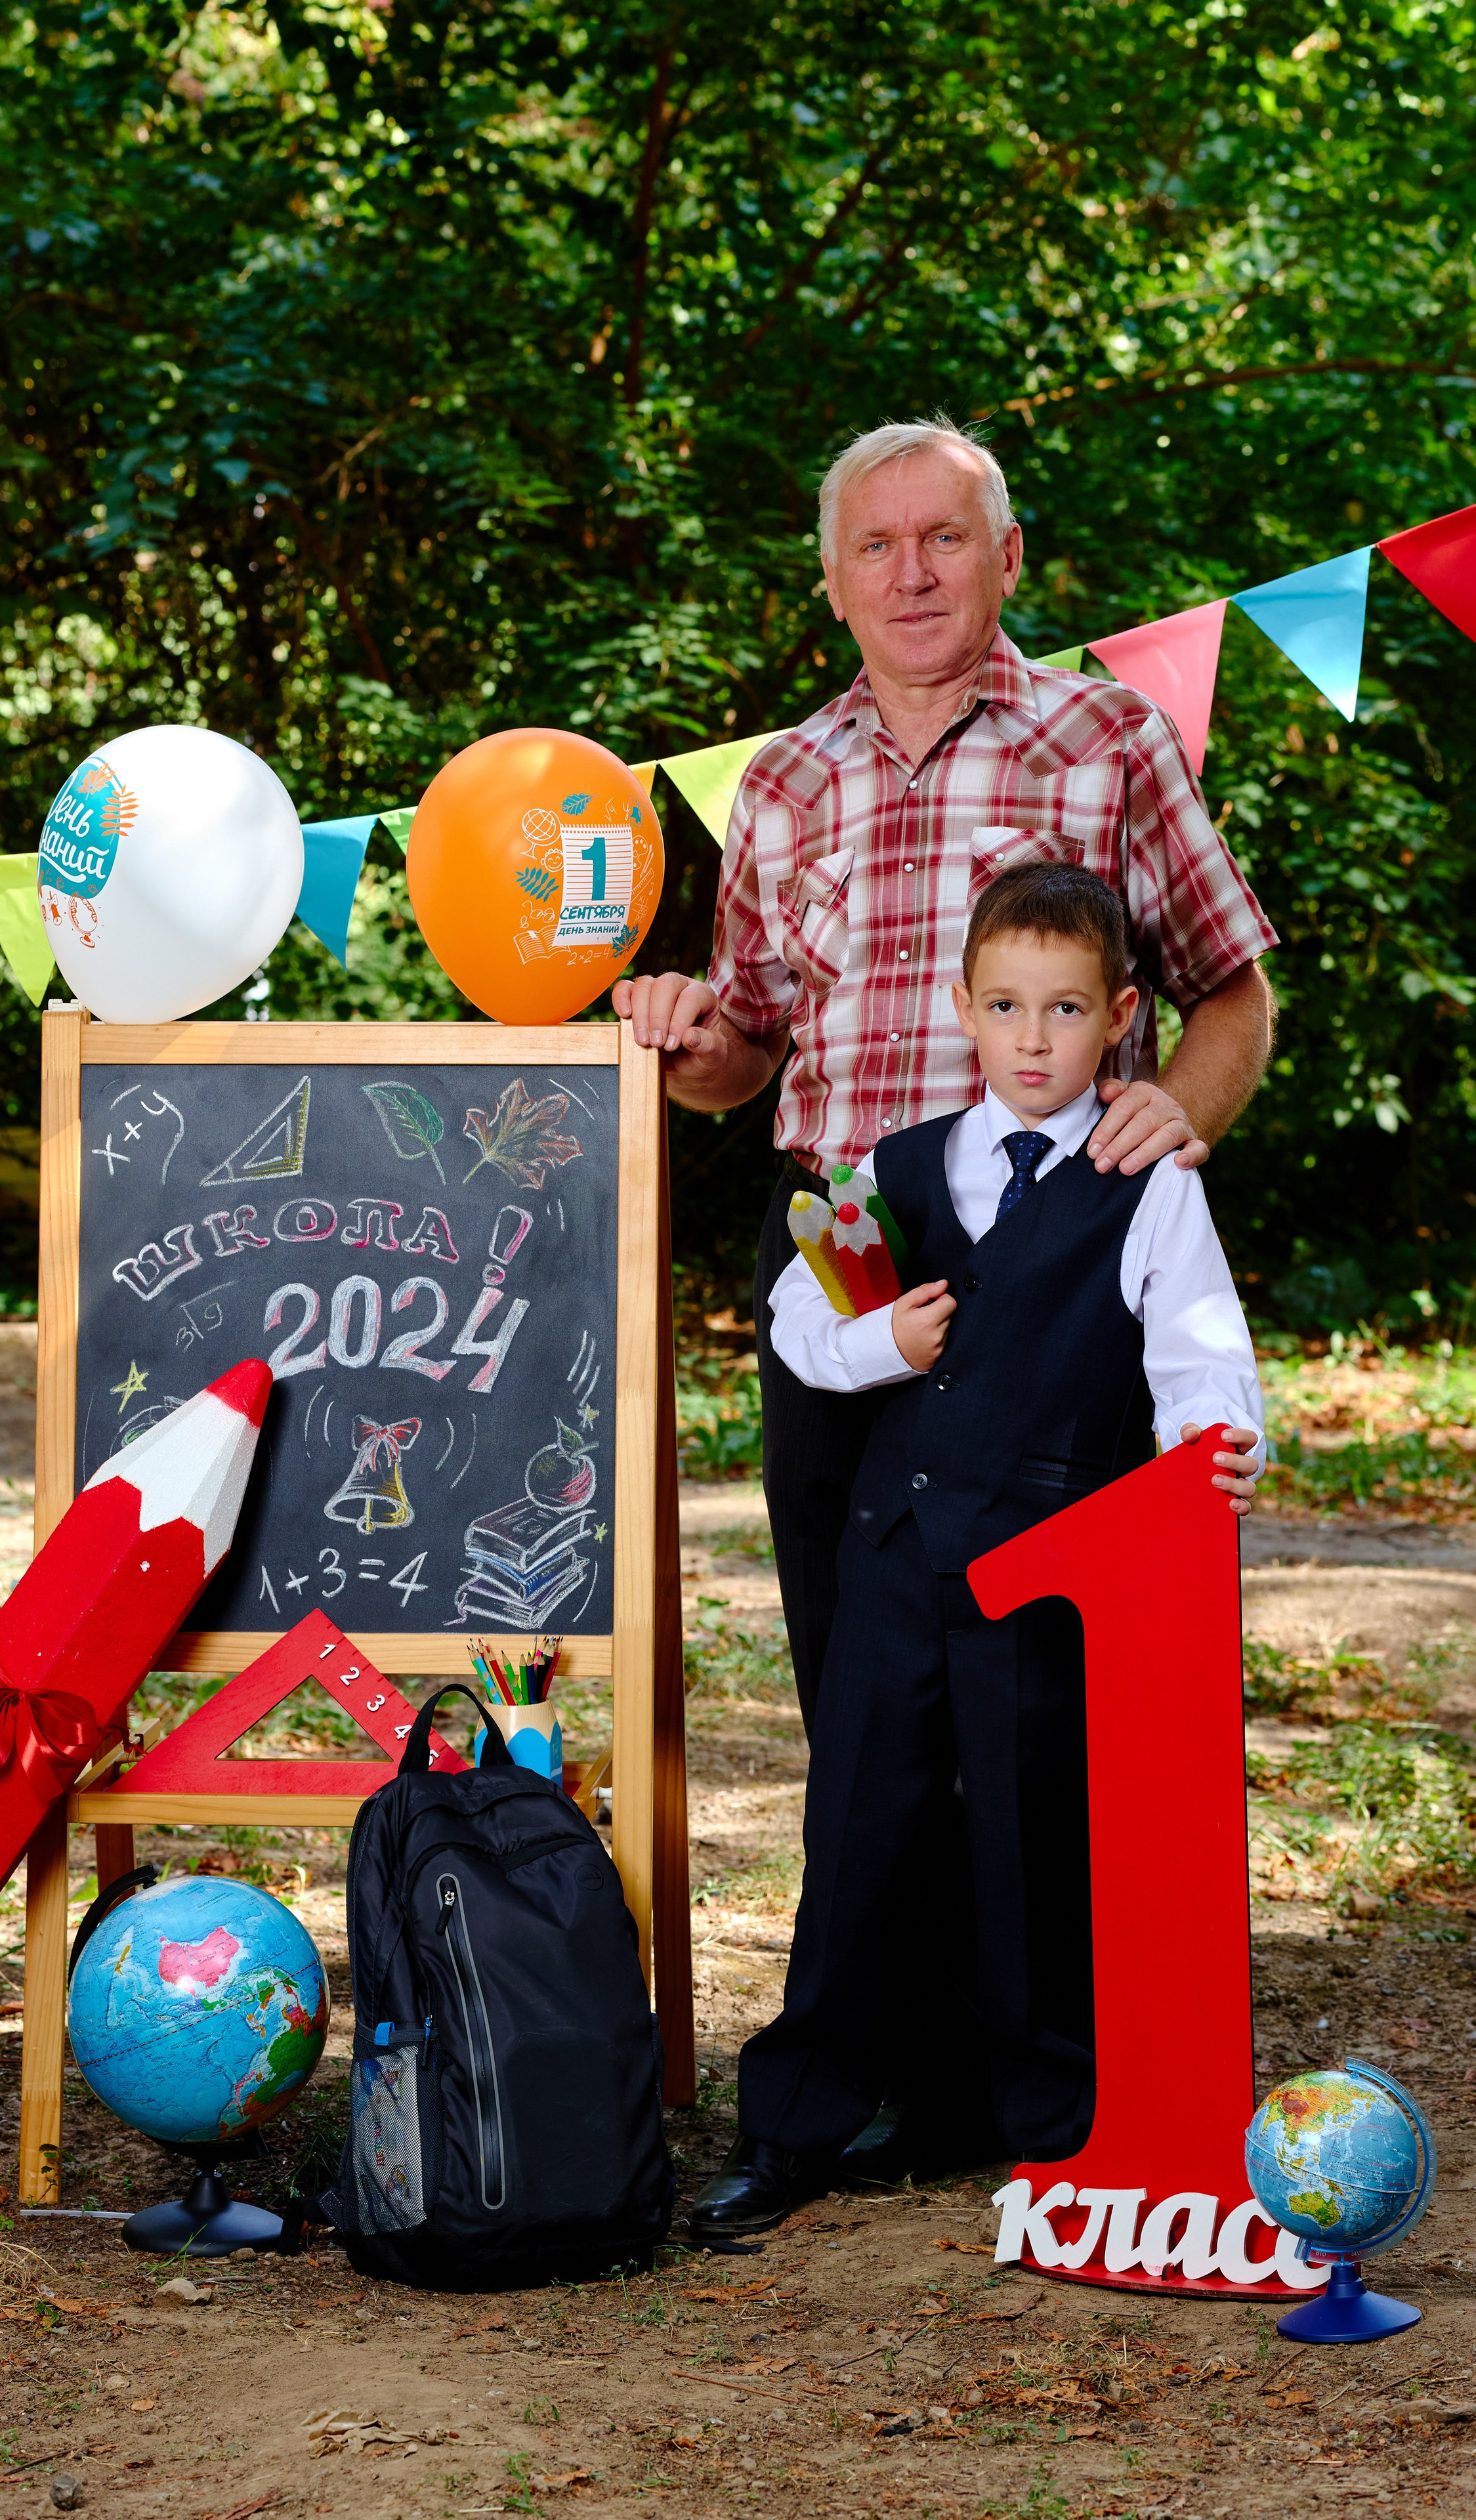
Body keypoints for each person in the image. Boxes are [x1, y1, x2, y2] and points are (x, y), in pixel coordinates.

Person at [611, 419, 1276, 1755]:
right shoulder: (782, 781)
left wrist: (1176, 1118)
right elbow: (747, 1048)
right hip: (842, 1242)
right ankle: (872, 1891)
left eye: (942, 538)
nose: (909, 572)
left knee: (1048, 1630)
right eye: (874, 545)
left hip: (1059, 1240)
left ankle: (1041, 1894)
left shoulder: (1112, 738)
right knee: (847, 1616)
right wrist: (685, 1043)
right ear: (832, 581)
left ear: (1006, 558)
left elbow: (1232, 993)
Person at [686, 865, 1265, 2239]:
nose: (1031, 1038)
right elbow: (796, 1321)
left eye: (1063, 1010)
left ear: (1117, 1018)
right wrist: (878, 1345)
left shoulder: (1147, 1183)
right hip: (894, 1555)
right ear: (961, 1009)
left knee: (1030, 1832)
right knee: (858, 1825)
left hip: (1050, 1566)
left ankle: (1050, 2126)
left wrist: (1213, 1448)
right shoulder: (895, 1170)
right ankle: (794, 2120)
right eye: (1005, 1007)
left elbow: (1196, 1350)